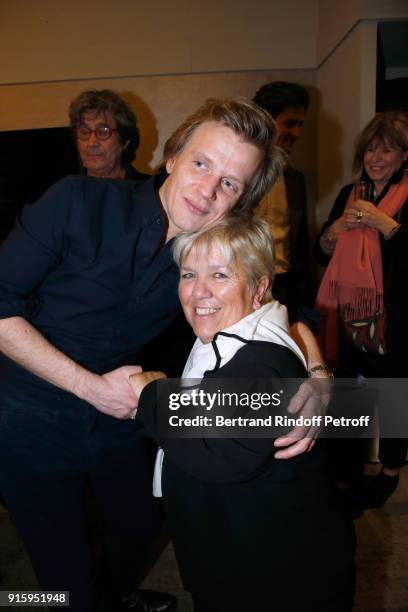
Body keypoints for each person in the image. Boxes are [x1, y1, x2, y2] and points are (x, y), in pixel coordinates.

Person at [0, 97, 327, 612]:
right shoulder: (76, 201)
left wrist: (318, 375)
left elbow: (284, 306)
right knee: (58, 574)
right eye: (202, 163)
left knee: (143, 523)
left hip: (120, 417)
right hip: (26, 414)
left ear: (239, 201)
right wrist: (89, 387)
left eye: (230, 183)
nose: (207, 190)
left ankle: (110, 595)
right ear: (173, 157)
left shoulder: (208, 254)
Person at [131, 216, 355, 612]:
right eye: (188, 274)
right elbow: (297, 322)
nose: (198, 292)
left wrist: (150, 396)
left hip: (276, 578)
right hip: (241, 551)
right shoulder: (236, 333)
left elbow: (218, 451)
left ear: (259, 287)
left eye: (219, 275)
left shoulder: (257, 363)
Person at [315, 111, 408, 508]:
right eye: (371, 148)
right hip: (350, 313)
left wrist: (385, 224)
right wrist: (331, 235)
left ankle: (389, 471)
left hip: (397, 316)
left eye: (387, 150)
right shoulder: (350, 193)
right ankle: (345, 474)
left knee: (393, 395)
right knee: (347, 390)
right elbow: (322, 253)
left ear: (404, 156)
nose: (377, 157)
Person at [253, 81, 314, 319]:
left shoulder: (295, 178)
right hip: (243, 285)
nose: (297, 133)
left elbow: (299, 243)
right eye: (289, 124)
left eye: (300, 125)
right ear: (265, 121)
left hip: (287, 289)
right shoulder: (234, 173)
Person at [69, 89, 150, 180]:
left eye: (103, 131)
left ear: (124, 142)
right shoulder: (65, 190)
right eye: (84, 132)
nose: (91, 143)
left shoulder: (151, 190)